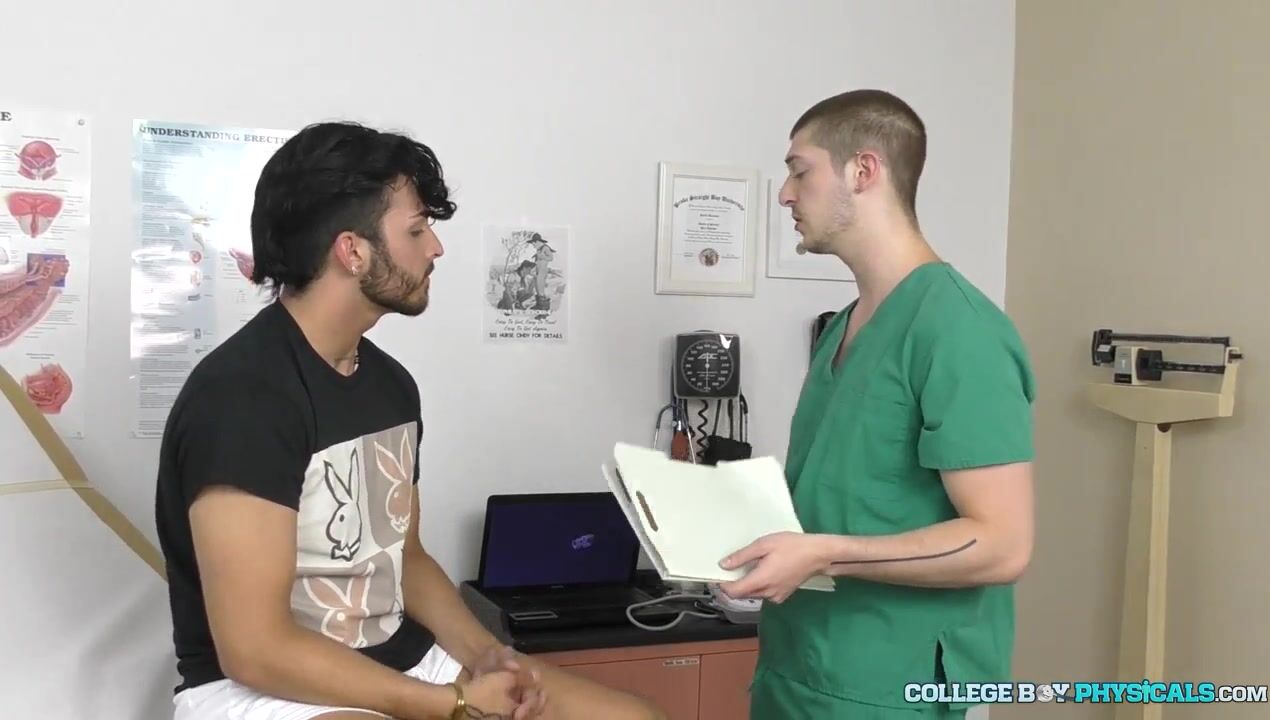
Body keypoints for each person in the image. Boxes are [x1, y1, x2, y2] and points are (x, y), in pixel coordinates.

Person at [154, 121, 666, 720]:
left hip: (401, 660)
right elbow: (256, 649)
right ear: (352, 251)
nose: (436, 249)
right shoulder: (243, 398)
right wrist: (449, 703)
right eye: (417, 230)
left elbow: (406, 557)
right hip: (260, 686)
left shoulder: (390, 384)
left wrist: (488, 657)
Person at [716, 90, 1036, 718]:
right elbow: (849, 494)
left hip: (886, 686)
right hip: (799, 664)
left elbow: (1003, 545)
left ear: (863, 170)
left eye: (799, 171)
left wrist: (826, 553)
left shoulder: (959, 331)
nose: (785, 194)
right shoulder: (845, 325)